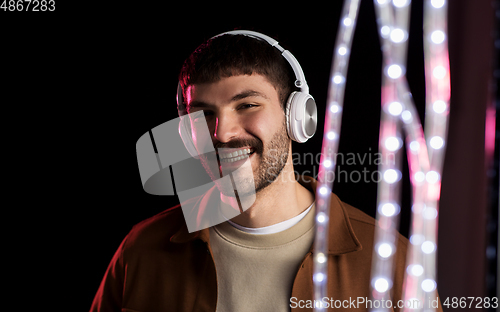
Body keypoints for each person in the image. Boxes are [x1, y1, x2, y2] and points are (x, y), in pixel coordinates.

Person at [91, 30, 442, 312]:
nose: (222, 133)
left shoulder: (392, 262)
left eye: (246, 105)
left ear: (297, 118)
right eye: (202, 114)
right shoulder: (140, 251)